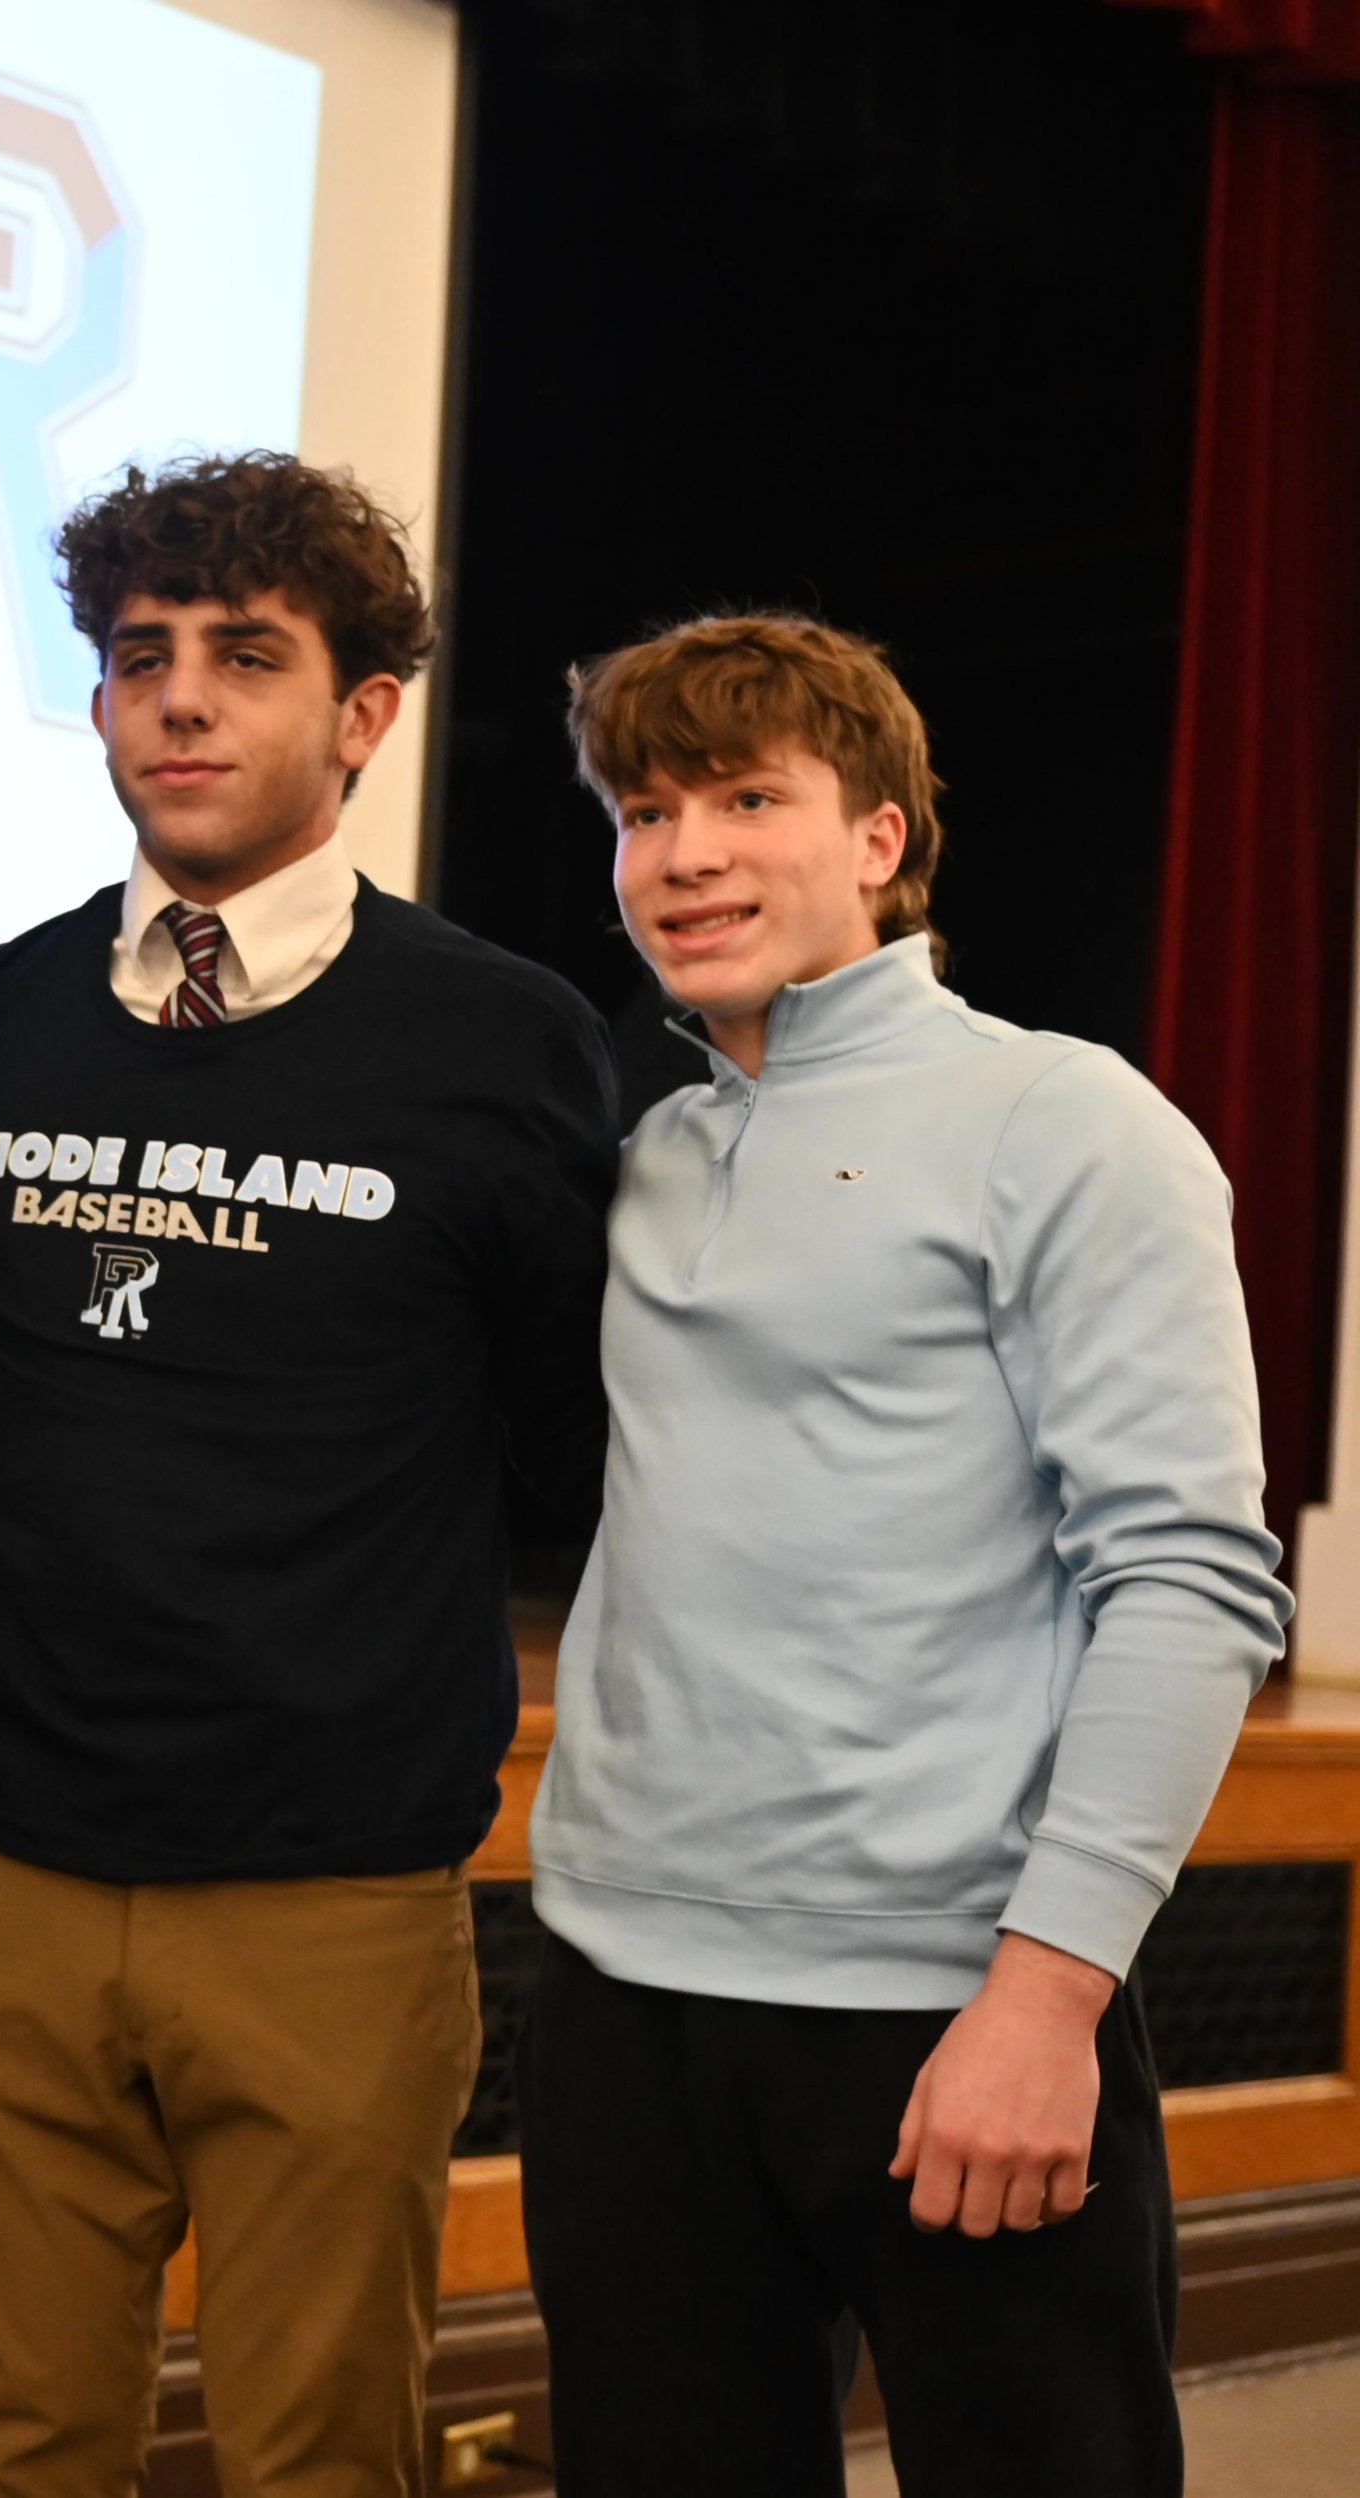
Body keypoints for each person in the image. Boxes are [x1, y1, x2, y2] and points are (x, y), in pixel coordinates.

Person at [0, 453, 617, 2496]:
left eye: (244, 655)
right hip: (11, 1863)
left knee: (317, 2451)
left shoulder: (500, 1041)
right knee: (21, 2441)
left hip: (329, 1882)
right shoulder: (4, 1013)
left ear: (362, 713)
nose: (180, 701)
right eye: (140, 659)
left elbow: (565, 1438)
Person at [520, 613, 1286, 2498]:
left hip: (955, 2002)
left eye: (747, 798)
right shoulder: (652, 1146)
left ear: (879, 839)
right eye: (644, 809)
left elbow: (1190, 1581)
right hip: (626, 1996)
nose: (683, 853)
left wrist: (1048, 1996)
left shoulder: (1068, 1120)